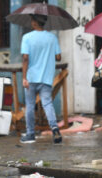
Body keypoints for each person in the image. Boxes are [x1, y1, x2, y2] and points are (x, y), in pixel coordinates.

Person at [20, 14, 62, 144]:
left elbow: (25, 58)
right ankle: (55, 128)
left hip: (31, 77)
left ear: (34, 23)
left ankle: (30, 134)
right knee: (47, 104)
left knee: (30, 106)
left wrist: (24, 77)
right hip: (46, 77)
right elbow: (59, 57)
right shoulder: (52, 37)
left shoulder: (27, 37)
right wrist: (47, 54)